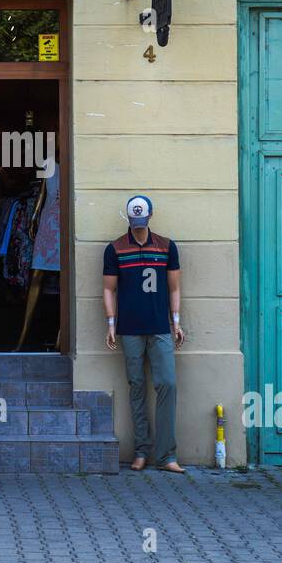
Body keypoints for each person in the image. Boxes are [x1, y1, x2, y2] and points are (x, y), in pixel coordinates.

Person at [103, 195, 186, 473]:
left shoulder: (166, 246)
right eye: (134, 222)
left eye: (142, 221)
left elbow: (174, 287)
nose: (138, 227)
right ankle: (141, 450)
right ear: (128, 219)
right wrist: (111, 324)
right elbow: (108, 289)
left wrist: (176, 322)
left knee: (167, 384)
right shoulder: (115, 249)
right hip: (129, 328)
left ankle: (166, 455)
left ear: (151, 216)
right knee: (136, 386)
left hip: (159, 326)